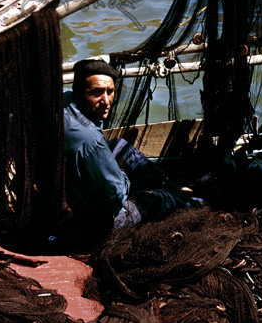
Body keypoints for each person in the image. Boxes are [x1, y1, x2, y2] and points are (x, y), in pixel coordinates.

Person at [61, 58, 201, 246]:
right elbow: (115, 197)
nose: (105, 101)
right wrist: (122, 175)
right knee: (161, 200)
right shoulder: (89, 140)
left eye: (109, 92)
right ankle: (190, 197)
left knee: (120, 145)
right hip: (94, 223)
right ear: (79, 92)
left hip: (75, 186)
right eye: (96, 93)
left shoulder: (64, 100)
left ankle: (165, 183)